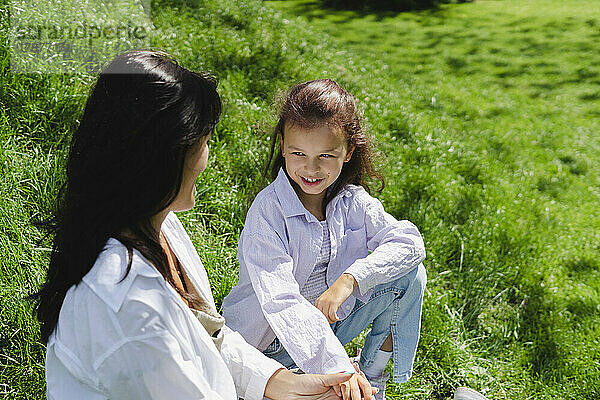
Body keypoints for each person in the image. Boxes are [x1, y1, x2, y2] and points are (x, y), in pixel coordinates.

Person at [34, 51, 373, 400]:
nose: (207, 160)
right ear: (164, 158)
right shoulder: (132, 310)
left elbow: (207, 336)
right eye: (205, 143)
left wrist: (284, 385)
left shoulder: (157, 228)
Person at [222, 79, 427, 400]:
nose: (311, 168)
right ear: (283, 147)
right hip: (268, 349)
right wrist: (337, 367)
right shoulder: (268, 211)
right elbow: (281, 302)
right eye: (298, 153)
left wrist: (350, 279)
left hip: (325, 331)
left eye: (326, 156)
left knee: (410, 275)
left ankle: (373, 380)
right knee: (332, 383)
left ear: (348, 153)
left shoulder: (351, 200)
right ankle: (347, 382)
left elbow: (410, 243)